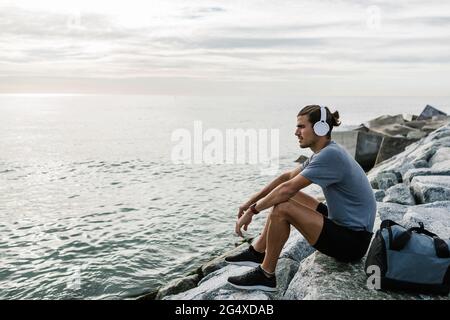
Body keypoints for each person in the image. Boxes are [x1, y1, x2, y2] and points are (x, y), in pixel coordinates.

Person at [226, 105, 376, 292]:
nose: (296, 132)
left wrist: (252, 211)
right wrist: (249, 202)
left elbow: (286, 189)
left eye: (301, 126)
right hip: (343, 225)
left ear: (320, 128)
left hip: (352, 242)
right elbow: (286, 179)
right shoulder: (325, 151)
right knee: (287, 195)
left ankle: (266, 274)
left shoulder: (330, 155)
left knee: (282, 208)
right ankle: (257, 252)